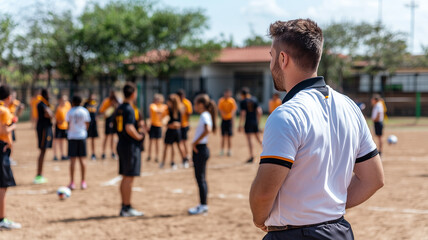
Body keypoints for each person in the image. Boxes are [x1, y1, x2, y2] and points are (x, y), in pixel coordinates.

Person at [249, 19, 384, 239]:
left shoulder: (287, 113)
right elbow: (374, 179)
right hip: (339, 232)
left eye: (271, 56)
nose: (271, 62)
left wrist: (258, 218)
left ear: (283, 59)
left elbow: (264, 193)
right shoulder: (349, 106)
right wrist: (325, 208)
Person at [115, 82, 144, 217]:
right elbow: (129, 127)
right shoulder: (130, 109)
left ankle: (124, 206)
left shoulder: (119, 107)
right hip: (129, 146)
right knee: (129, 178)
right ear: (133, 94)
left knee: (125, 176)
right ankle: (126, 207)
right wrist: (139, 136)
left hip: (121, 144)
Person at [188, 94, 217, 215]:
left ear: (200, 104)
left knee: (200, 179)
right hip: (201, 149)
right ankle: (202, 204)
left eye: (195, 104)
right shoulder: (206, 115)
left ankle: (203, 205)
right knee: (201, 178)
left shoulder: (205, 115)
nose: (194, 106)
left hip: (200, 149)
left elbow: (207, 129)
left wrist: (195, 142)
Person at [0, 84, 21, 229]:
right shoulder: (4, 110)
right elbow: (4, 129)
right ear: (8, 97)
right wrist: (14, 125)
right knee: (2, 186)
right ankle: (2, 219)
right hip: (1, 149)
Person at [66, 95, 91, 190]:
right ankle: (83, 182)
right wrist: (84, 131)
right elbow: (87, 123)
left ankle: (72, 182)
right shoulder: (84, 111)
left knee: (72, 161)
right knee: (82, 160)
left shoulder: (70, 111)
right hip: (82, 136)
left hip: (72, 137)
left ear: (72, 102)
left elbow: (68, 124)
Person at [160, 94, 185, 170]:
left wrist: (173, 125)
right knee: (166, 147)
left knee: (179, 146)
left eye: (169, 101)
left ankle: (184, 160)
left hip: (176, 131)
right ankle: (163, 162)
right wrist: (168, 124)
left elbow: (179, 124)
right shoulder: (167, 109)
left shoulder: (178, 110)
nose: (167, 102)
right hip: (170, 131)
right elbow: (164, 121)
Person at [34, 89, 54, 184]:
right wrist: (50, 112)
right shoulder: (42, 104)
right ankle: (38, 175)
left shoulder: (45, 104)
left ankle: (40, 174)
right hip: (43, 129)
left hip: (45, 128)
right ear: (45, 94)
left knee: (44, 150)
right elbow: (50, 114)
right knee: (42, 150)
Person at [238, 87, 262, 163]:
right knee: (259, 139)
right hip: (254, 121)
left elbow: (243, 113)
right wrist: (258, 122)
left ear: (242, 94)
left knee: (249, 139)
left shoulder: (243, 101)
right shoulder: (254, 99)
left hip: (248, 122)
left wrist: (240, 124)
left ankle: (251, 156)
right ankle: (270, 152)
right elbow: (259, 111)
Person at [99, 91, 119, 160]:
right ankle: (103, 153)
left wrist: (115, 106)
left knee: (113, 137)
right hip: (108, 120)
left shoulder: (116, 102)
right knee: (106, 136)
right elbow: (101, 111)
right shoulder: (106, 101)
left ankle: (113, 152)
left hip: (114, 121)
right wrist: (109, 108)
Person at [147, 94, 166, 163]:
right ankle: (149, 155)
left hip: (159, 125)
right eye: (156, 99)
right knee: (151, 141)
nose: (157, 100)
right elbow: (157, 111)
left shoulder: (163, 106)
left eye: (158, 99)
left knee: (157, 142)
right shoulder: (152, 105)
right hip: (153, 125)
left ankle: (157, 156)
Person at [217, 89, 237, 156]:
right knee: (223, 136)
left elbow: (233, 111)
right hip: (224, 120)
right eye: (226, 93)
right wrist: (224, 115)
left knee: (229, 136)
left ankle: (229, 150)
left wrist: (232, 119)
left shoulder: (231, 101)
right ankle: (222, 150)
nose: (227, 94)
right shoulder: (221, 101)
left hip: (229, 120)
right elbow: (220, 110)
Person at [177, 89, 192, 168]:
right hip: (179, 125)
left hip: (184, 125)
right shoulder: (177, 103)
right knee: (181, 142)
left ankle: (188, 157)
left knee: (184, 142)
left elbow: (189, 113)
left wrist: (187, 123)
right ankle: (185, 157)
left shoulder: (186, 103)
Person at [53, 95, 71, 161]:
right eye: (63, 100)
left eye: (65, 100)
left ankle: (65, 155)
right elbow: (56, 118)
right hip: (59, 126)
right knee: (57, 141)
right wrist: (59, 121)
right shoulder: (58, 108)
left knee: (65, 141)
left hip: (66, 126)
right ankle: (56, 155)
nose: (64, 102)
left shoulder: (68, 105)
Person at [83, 93, 99, 160]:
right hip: (87, 123)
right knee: (85, 139)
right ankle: (84, 152)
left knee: (93, 139)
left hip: (94, 124)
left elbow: (97, 113)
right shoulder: (86, 104)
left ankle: (93, 153)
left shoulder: (95, 104)